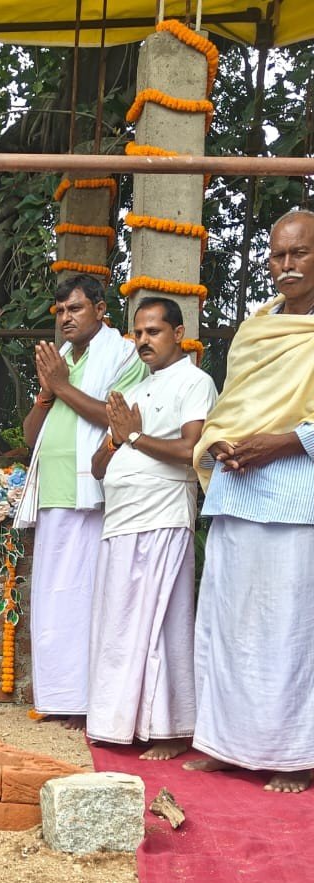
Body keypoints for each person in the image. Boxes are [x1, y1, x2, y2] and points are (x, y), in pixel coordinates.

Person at [184, 209, 314, 793]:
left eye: (300, 254)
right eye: (278, 255)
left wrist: (282, 442)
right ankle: (225, 741)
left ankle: (293, 755)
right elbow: (233, 407)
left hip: (295, 496)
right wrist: (224, 445)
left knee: (288, 628)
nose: (286, 266)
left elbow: (284, 425)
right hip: (238, 491)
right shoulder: (259, 323)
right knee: (225, 623)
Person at [15, 273, 146, 729]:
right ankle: (60, 697)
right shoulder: (65, 359)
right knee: (54, 600)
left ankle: (88, 702)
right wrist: (49, 391)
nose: (65, 318)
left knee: (87, 599)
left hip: (93, 493)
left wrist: (62, 384)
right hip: (53, 492)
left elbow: (118, 419)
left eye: (75, 308)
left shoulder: (124, 353)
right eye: (61, 311)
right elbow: (32, 435)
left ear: (100, 308)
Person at [87, 297, 216, 759]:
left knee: (160, 624)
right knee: (120, 623)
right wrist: (118, 439)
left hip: (163, 516)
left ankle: (168, 730)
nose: (143, 340)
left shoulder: (196, 382)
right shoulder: (135, 391)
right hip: (121, 520)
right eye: (138, 333)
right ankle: (118, 722)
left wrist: (135, 438)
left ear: (178, 333)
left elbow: (191, 451)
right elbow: (101, 466)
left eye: (153, 332)